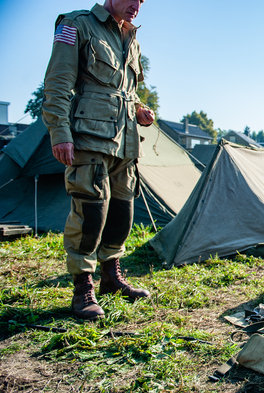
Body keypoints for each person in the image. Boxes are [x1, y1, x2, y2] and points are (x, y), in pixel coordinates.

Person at [42, 0, 154, 320]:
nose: (136, 6)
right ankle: (82, 287)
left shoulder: (131, 37)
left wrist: (138, 109)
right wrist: (60, 133)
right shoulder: (76, 25)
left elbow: (124, 91)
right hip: (89, 138)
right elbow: (58, 83)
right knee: (91, 213)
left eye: (142, 1)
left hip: (125, 143)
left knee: (121, 213)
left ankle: (111, 278)